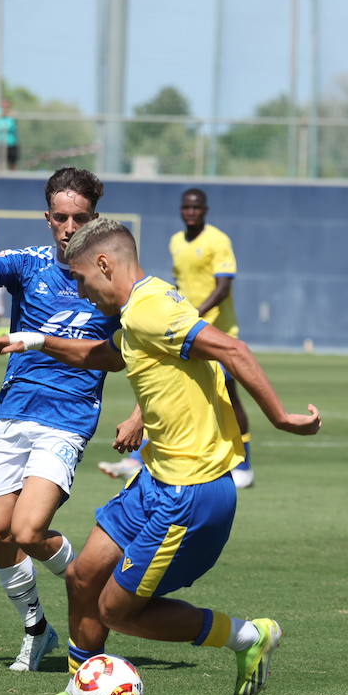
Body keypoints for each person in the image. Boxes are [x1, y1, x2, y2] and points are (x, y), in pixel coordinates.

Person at [0, 218, 320, 695]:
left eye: (81, 280)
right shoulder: (141, 308)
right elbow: (106, 355)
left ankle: (249, 636)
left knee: (115, 611)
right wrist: (34, 342)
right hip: (154, 481)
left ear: (104, 265)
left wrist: (281, 418)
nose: (81, 292)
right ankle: (81, 687)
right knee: (82, 576)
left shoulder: (151, 309)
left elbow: (231, 348)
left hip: (191, 494)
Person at [0, 167, 132, 673]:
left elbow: (144, 350)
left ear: (94, 218)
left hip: (68, 416)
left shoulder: (113, 279)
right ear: (47, 217)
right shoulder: (27, 264)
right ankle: (37, 630)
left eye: (80, 217)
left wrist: (140, 411)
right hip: (14, 412)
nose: (69, 226)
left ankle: (91, 580)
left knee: (30, 531)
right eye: (60, 217)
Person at [100, 188, 256, 489]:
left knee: (230, 398)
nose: (191, 212)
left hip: (215, 331)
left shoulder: (217, 241)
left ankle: (245, 466)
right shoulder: (176, 242)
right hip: (181, 332)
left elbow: (223, 288)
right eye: (186, 207)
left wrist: (194, 315)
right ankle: (141, 459)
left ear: (205, 210)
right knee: (166, 391)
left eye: (196, 208)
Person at [0, 99, 19, 171]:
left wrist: (7, 114)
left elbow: (14, 116)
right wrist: (1, 115)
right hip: (0, 143)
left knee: (12, 163)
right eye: (3, 104)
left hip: (11, 143)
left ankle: (12, 178)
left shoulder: (12, 113)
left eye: (6, 104)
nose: (4, 106)